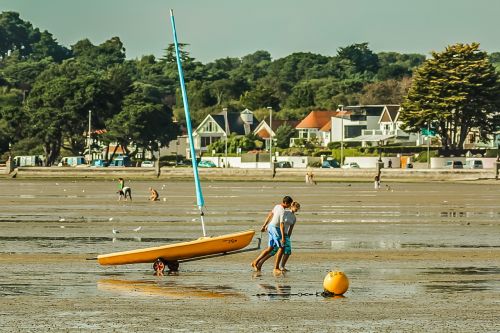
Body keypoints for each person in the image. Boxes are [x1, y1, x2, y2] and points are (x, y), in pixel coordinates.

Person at [251, 195, 293, 274]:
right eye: (289, 204)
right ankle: (276, 268)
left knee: (270, 248)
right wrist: (283, 238)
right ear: (286, 203)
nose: (290, 206)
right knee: (282, 247)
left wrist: (264, 225)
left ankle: (255, 262)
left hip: (270, 227)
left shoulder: (277, 206)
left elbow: (270, 215)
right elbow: (281, 225)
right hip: (275, 229)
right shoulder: (282, 211)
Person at [277, 201, 300, 272]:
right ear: (292, 206)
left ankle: (282, 266)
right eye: (296, 207)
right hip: (279, 233)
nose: (297, 209)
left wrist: (288, 238)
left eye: (298, 208)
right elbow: (280, 223)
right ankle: (275, 266)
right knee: (274, 250)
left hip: (286, 234)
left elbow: (291, 229)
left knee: (288, 251)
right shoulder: (285, 212)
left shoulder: (294, 218)